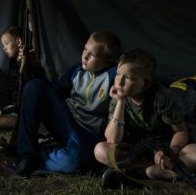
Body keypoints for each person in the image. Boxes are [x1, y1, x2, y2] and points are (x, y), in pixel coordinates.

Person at [15, 30, 122, 176]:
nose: (84, 56)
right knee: (35, 86)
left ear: (108, 61)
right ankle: (25, 155)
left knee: (72, 160)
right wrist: (36, 68)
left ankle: (40, 158)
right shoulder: (77, 70)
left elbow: (127, 68)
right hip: (66, 123)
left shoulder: (114, 76)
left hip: (87, 134)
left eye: (92, 55)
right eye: (85, 49)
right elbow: (52, 94)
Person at [94, 49, 196, 189]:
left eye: (129, 78)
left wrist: (169, 153)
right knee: (100, 150)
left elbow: (181, 132)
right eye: (118, 74)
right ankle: (155, 173)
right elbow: (112, 140)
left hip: (167, 148)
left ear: (145, 84)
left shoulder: (162, 98)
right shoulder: (118, 97)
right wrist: (121, 101)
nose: (120, 81)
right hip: (139, 152)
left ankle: (142, 175)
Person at [0, 26, 45, 130]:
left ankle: (36, 125)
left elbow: (26, 97)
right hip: (16, 106)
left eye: (7, 43)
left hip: (29, 110)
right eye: (3, 45)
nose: (4, 48)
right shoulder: (13, 64)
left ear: (18, 42)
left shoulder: (31, 61)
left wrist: (0, 112)